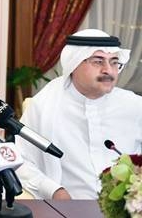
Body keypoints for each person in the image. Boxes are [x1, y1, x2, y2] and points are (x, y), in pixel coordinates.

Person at [16, 28, 142, 200]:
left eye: (114, 62)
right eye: (98, 61)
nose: (109, 70)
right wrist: (53, 191)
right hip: (68, 211)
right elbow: (20, 161)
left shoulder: (134, 106)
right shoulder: (44, 106)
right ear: (73, 63)